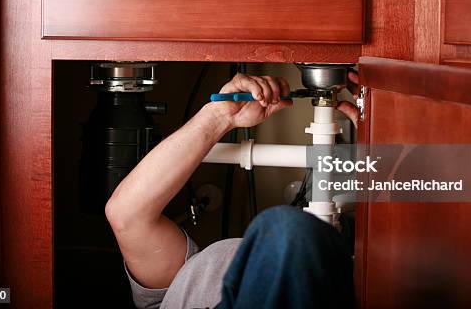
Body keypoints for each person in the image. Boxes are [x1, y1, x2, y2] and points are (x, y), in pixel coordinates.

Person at [105, 72, 360, 309]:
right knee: (287, 228)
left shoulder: (178, 291)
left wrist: (220, 116)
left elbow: (128, 215)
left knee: (287, 229)